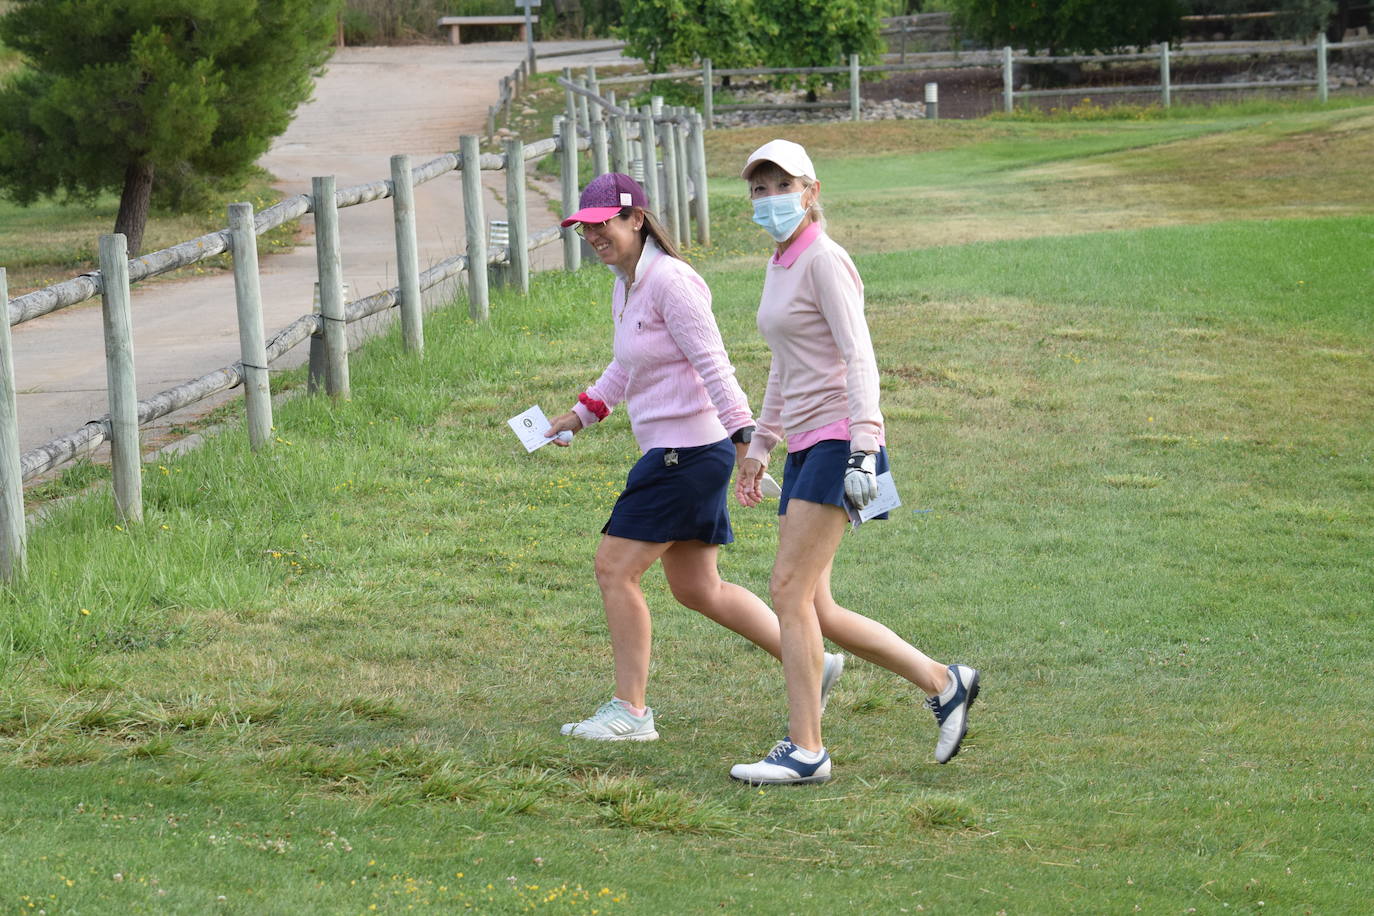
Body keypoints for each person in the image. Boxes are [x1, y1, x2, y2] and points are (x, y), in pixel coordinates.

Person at [545, 172, 844, 742]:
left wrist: (746, 443)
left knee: (614, 568)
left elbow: (715, 364)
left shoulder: (672, 282)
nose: (593, 237)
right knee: (696, 588)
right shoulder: (627, 281)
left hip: (688, 453)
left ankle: (630, 713)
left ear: (636, 219)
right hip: (679, 451)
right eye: (584, 229)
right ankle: (809, 660)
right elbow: (627, 365)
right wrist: (580, 414)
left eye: (602, 225)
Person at [729, 140, 981, 785]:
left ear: (810, 191)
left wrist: (866, 444)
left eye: (779, 187)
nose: (767, 200)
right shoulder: (781, 262)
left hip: (842, 438)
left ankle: (806, 749)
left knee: (788, 591)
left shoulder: (824, 260)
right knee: (817, 603)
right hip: (809, 440)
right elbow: (788, 366)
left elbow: (858, 355)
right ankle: (944, 681)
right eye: (758, 189)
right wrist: (760, 445)